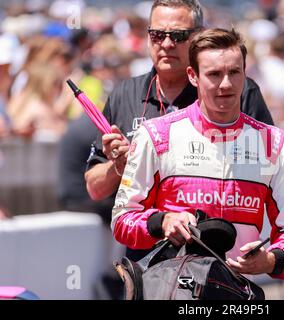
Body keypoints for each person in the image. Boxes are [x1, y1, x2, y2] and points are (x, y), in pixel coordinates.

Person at [111, 28, 284, 279]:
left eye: (234, 72)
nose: (226, 84)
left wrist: (271, 260)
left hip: (235, 294)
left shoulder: (272, 142)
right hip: (169, 289)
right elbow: (122, 220)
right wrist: (163, 222)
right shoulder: (156, 134)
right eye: (214, 74)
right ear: (193, 76)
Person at [85, 0, 273, 203]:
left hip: (215, 227)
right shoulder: (124, 93)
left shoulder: (236, 90)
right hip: (144, 229)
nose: (166, 44)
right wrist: (120, 167)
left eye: (178, 35)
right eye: (157, 35)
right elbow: (95, 189)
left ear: (198, 36)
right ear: (148, 38)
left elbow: (270, 172)